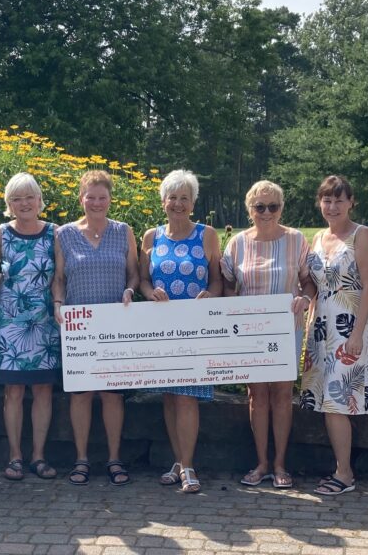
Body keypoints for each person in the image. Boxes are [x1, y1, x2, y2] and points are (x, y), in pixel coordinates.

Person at [221, 180, 315, 490]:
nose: (266, 212)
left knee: (283, 396)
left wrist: (305, 298)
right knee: (256, 396)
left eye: (273, 206)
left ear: (281, 208)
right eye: (260, 207)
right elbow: (227, 287)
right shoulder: (237, 243)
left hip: (287, 328)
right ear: (250, 210)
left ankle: (280, 464)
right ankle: (261, 462)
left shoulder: (296, 239)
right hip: (250, 332)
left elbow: (308, 281)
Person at [53, 170, 140, 486]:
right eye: (91, 197)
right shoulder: (64, 234)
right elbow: (59, 278)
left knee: (112, 395)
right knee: (81, 394)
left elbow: (134, 272)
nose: (97, 202)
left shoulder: (123, 231)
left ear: (110, 199)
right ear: (81, 198)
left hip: (114, 326)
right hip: (79, 327)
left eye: (102, 197)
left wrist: (130, 289)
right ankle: (81, 459)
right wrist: (58, 304)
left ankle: (114, 459)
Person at [139, 169, 222, 494]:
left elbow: (216, 278)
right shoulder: (151, 236)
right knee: (170, 397)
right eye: (172, 197)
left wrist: (211, 294)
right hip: (162, 328)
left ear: (193, 202)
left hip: (195, 327)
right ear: (163, 201)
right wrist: (148, 292)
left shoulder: (207, 234)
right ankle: (177, 461)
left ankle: (188, 466)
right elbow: (143, 278)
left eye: (184, 198)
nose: (178, 203)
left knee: (188, 397)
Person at [300, 175, 368, 496]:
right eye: (327, 200)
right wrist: (307, 327)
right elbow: (313, 286)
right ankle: (341, 469)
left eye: (339, 200)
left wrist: (357, 334)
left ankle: (344, 474)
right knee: (325, 400)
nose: (332, 207)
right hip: (321, 327)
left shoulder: (362, 235)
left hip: (351, 325)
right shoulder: (318, 237)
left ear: (351, 202)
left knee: (337, 400)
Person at [0, 172, 61, 482]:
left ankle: (39, 456)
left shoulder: (55, 234)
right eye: (16, 198)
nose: (24, 203)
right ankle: (15, 456)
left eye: (29, 197)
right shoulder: (1, 234)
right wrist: (4, 283)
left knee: (43, 390)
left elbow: (61, 275)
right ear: (9, 204)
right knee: (13, 391)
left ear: (39, 200)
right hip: (10, 323)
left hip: (45, 321)